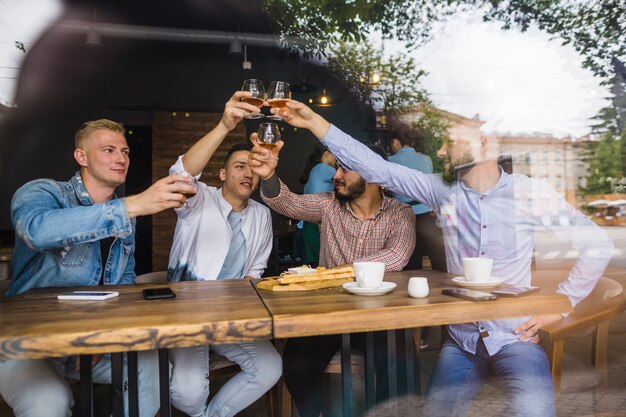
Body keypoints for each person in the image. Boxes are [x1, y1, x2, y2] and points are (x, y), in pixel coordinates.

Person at [263, 100, 614, 417]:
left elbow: (596, 244)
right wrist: (315, 123)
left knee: (536, 412)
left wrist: (562, 304)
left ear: (485, 144)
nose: (443, 150)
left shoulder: (529, 192)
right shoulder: (442, 191)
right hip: (461, 343)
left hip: (515, 338)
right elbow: (379, 170)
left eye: (451, 141)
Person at [0, 119, 197, 417]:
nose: (121, 158)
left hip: (93, 341)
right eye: (109, 150)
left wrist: (105, 336)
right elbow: (36, 231)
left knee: (153, 367)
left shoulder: (126, 216)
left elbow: (125, 281)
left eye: (125, 151)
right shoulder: (44, 192)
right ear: (81, 157)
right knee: (48, 402)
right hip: (28, 344)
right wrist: (132, 206)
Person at [248, 135, 415, 417]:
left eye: (344, 169)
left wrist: (337, 271)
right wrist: (268, 176)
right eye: (336, 167)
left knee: (400, 360)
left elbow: (397, 255)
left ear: (373, 174)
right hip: (327, 312)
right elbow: (288, 203)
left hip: (378, 314)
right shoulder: (328, 206)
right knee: (298, 364)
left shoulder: (400, 213)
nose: (335, 176)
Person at [166, 91, 281, 417]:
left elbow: (256, 269)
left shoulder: (261, 215)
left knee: (270, 365)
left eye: (252, 168)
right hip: (187, 316)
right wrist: (224, 125)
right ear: (221, 174)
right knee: (187, 394)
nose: (247, 173)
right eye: (239, 166)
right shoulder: (199, 199)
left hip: (232, 316)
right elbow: (181, 175)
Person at [388, 125, 446, 272]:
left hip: (405, 217)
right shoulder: (426, 159)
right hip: (427, 214)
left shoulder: (390, 160)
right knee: (439, 261)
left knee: (411, 263)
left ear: (395, 142)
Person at [298, 143, 337, 263]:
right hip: (314, 228)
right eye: (335, 155)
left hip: (304, 227)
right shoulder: (323, 168)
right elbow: (347, 177)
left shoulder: (314, 171)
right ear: (327, 154)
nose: (337, 159)